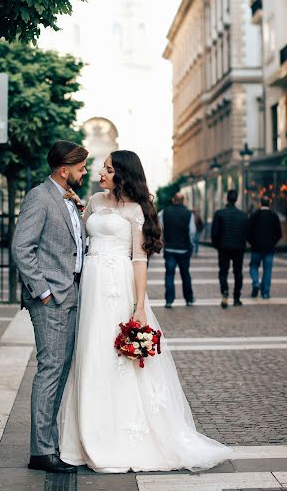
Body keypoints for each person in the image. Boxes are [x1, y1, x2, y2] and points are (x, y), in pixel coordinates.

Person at [59, 150, 231, 472]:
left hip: (119, 287)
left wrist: (138, 306)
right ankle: (85, 434)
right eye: (102, 169)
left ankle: (119, 436)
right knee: (90, 354)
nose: (101, 174)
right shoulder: (95, 201)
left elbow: (140, 260)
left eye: (108, 170)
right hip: (92, 288)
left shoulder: (136, 210)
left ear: (122, 174)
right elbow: (81, 238)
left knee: (117, 357)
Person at [12, 140, 88, 474]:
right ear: (64, 169)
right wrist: (43, 292)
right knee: (50, 370)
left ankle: (49, 444)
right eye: (81, 167)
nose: (84, 172)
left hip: (70, 295)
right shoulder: (39, 197)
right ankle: (41, 452)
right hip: (52, 299)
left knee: (60, 368)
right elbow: (21, 247)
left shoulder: (68, 199)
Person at [211, 189, 248, 309]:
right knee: (238, 272)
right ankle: (237, 298)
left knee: (223, 271)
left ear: (227, 198)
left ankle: (225, 291)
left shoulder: (219, 213)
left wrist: (217, 246)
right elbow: (245, 233)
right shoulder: (242, 215)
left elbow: (214, 233)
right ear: (236, 199)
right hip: (238, 248)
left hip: (224, 247)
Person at [159, 193, 196, 308]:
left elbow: (160, 228)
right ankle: (189, 299)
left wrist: (163, 240)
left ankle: (169, 300)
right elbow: (192, 231)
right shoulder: (189, 213)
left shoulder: (164, 212)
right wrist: (190, 243)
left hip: (169, 249)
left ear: (173, 200)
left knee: (169, 275)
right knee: (185, 274)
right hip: (184, 249)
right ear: (183, 201)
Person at [248, 196, 282, 299]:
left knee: (253, 266)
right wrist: (272, 243)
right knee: (267, 270)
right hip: (269, 249)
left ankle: (255, 283)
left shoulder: (254, 215)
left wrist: (252, 243)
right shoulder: (274, 216)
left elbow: (248, 232)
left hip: (256, 248)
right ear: (269, 204)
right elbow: (279, 234)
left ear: (260, 204)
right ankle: (265, 292)